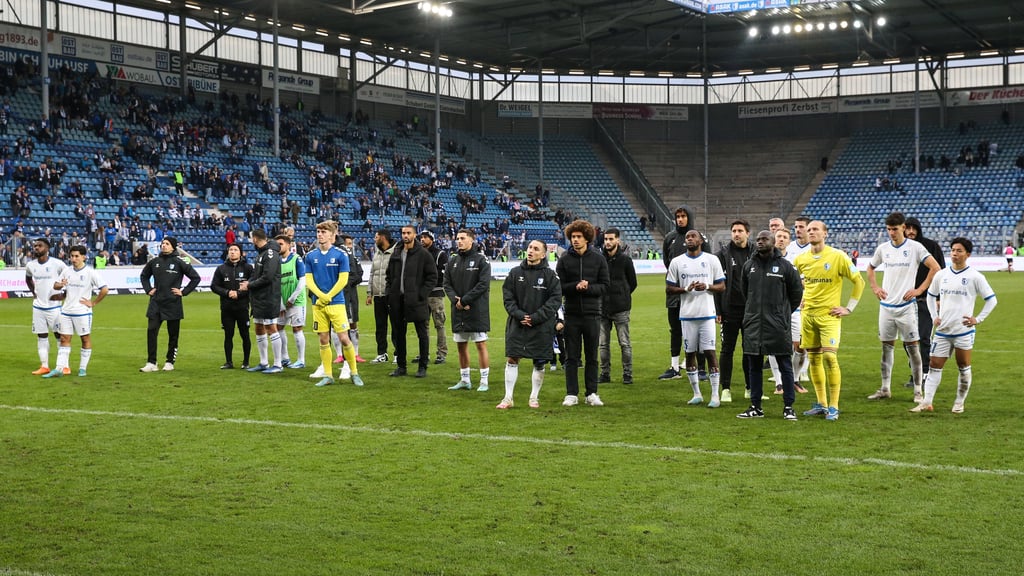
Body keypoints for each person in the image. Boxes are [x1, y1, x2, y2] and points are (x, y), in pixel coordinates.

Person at [912, 237, 997, 414]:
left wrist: (977, 319)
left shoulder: (975, 276)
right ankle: (927, 402)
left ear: (968, 254)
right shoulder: (942, 275)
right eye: (952, 250)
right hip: (943, 331)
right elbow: (930, 295)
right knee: (934, 365)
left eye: (959, 251)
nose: (955, 254)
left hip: (963, 331)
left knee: (963, 366)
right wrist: (934, 316)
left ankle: (959, 402)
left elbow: (991, 300)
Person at [793, 220, 866, 421]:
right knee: (814, 359)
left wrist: (848, 307)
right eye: (809, 230)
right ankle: (821, 404)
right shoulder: (801, 259)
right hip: (808, 316)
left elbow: (859, 281)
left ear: (825, 233)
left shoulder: (837, 256)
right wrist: (799, 299)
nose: (811, 232)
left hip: (829, 316)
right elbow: (794, 283)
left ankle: (833, 406)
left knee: (829, 358)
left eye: (815, 229)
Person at [865, 212, 940, 403]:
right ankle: (885, 389)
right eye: (889, 229)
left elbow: (935, 268)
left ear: (904, 228)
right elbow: (870, 268)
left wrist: (919, 289)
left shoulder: (915, 247)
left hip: (907, 307)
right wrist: (875, 287)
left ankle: (917, 391)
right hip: (886, 307)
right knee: (886, 348)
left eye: (895, 229)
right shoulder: (883, 249)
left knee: (913, 349)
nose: (892, 233)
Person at [735, 231, 803, 420]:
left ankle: (789, 406)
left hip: (777, 325)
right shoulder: (749, 266)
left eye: (764, 239)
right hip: (754, 324)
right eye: (757, 240)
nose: (760, 242)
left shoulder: (785, 267)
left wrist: (781, 313)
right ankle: (755, 407)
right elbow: (745, 292)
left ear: (773, 242)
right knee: (754, 366)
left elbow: (796, 293)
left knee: (785, 365)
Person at [498, 240, 562, 409]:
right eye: (529, 248)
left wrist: (535, 318)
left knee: (539, 361)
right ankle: (507, 398)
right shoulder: (514, 273)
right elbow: (508, 298)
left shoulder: (550, 276)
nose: (531, 251)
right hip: (517, 323)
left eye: (536, 249)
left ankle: (534, 398)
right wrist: (520, 315)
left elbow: (554, 301)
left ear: (543, 254)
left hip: (540, 325)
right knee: (512, 357)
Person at [665, 230, 726, 407]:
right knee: (689, 353)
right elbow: (669, 289)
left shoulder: (711, 260)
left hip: (707, 314)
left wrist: (706, 286)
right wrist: (686, 289)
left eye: (693, 236)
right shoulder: (677, 262)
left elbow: (721, 286)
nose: (689, 239)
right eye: (687, 237)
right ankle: (697, 393)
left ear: (700, 240)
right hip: (686, 315)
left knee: (710, 352)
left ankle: (715, 395)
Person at [556, 219, 610, 407]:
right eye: (573, 237)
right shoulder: (564, 260)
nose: (575, 240)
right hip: (571, 314)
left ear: (587, 238)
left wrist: (588, 287)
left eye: (579, 237)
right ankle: (571, 393)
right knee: (572, 356)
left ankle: (592, 393)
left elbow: (604, 286)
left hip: (593, 314)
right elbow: (559, 287)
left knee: (591, 356)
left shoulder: (598, 259)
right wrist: (575, 286)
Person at [304, 220, 364, 387]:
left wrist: (328, 295)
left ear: (332, 234)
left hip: (336, 302)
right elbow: (308, 280)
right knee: (323, 339)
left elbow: (343, 279)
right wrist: (320, 296)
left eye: (323, 232)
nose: (320, 235)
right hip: (318, 304)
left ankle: (354, 372)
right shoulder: (310, 256)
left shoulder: (340, 254)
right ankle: (328, 375)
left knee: (344, 338)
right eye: (318, 232)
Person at [659, 205, 710, 380]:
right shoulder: (670, 238)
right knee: (675, 330)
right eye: (678, 216)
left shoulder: (700, 238)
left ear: (690, 217)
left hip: (696, 293)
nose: (680, 219)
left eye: (683, 216)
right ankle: (674, 368)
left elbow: (708, 261)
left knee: (699, 329)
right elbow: (668, 262)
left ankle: (701, 368)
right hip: (675, 292)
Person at [42, 245, 108, 378]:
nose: (73, 259)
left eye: (76, 256)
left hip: (82, 312)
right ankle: (59, 369)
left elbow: (105, 289)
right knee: (64, 338)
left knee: (85, 338)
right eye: (72, 256)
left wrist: (93, 303)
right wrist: (60, 284)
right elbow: (56, 284)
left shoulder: (90, 272)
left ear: (84, 257)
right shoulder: (67, 271)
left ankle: (82, 368)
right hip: (66, 311)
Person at [139, 237, 201, 372]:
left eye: (167, 244)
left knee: (173, 334)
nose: (164, 246)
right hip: (156, 302)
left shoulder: (179, 262)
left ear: (173, 247)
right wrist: (148, 289)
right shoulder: (154, 262)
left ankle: (169, 361)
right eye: (162, 244)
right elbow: (144, 276)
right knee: (151, 331)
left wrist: (183, 292)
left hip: (173, 303)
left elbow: (196, 278)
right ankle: (151, 362)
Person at [385, 225, 437, 378]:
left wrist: (421, 294)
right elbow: (389, 275)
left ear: (414, 235)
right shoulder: (396, 252)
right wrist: (390, 292)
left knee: (422, 334)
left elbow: (432, 276)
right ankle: (401, 367)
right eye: (403, 233)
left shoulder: (423, 254)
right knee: (399, 334)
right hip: (397, 300)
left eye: (408, 233)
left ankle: (422, 367)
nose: (405, 235)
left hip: (416, 301)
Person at [444, 228, 492, 392]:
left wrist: (464, 300)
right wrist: (455, 300)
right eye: (457, 238)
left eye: (462, 238)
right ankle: (465, 380)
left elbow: (483, 284)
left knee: (480, 344)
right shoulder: (452, 260)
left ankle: (484, 381)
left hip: (476, 310)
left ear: (471, 240)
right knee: (461, 346)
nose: (459, 241)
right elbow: (447, 284)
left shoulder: (481, 260)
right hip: (459, 311)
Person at [714, 219, 755, 403]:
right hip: (729, 309)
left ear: (748, 233)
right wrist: (718, 309)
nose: (736, 234)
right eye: (734, 231)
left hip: (750, 311)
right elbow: (717, 284)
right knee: (727, 350)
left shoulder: (756, 253)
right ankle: (726, 389)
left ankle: (749, 387)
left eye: (740, 231)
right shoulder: (722, 254)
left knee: (750, 350)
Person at [902, 217, 946, 388]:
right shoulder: (901, 249)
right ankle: (915, 374)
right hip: (905, 302)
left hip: (926, 300)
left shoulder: (931, 246)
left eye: (914, 228)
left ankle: (925, 374)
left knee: (924, 338)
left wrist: (939, 298)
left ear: (919, 229)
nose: (911, 231)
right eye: (908, 228)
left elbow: (940, 271)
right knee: (908, 341)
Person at [599, 227, 637, 385]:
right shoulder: (599, 259)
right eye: (606, 239)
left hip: (621, 308)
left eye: (611, 239)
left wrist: (622, 295)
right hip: (602, 308)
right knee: (602, 344)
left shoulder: (626, 260)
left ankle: (627, 374)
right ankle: (604, 373)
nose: (607, 242)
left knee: (624, 343)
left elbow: (633, 283)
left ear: (617, 240)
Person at [242, 229, 284, 374]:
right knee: (259, 327)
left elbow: (268, 277)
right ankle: (263, 362)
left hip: (269, 297)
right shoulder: (261, 253)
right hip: (258, 297)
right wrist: (248, 283)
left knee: (271, 327)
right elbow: (256, 274)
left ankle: (278, 364)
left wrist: (249, 285)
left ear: (254, 238)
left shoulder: (270, 254)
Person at [25, 237, 68, 375]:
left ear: (47, 248)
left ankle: (64, 366)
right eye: (35, 246)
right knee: (41, 336)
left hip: (54, 307)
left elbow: (70, 277)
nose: (36, 248)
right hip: (38, 307)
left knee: (59, 336)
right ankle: (44, 366)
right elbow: (28, 278)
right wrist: (33, 292)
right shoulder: (31, 265)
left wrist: (64, 295)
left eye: (40, 246)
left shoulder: (58, 264)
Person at [210, 243, 253, 369]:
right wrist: (227, 292)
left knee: (245, 334)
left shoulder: (248, 268)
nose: (232, 252)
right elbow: (214, 286)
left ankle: (246, 362)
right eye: (230, 250)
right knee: (228, 335)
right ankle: (229, 362)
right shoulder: (221, 269)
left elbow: (253, 285)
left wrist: (239, 294)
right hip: (226, 308)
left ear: (241, 253)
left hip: (242, 307)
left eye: (235, 250)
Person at [786, 216, 813, 383]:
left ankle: (804, 370)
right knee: (795, 339)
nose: (798, 230)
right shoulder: (789, 249)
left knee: (808, 338)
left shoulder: (815, 248)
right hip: (794, 300)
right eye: (796, 227)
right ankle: (792, 371)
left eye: (801, 227)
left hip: (811, 299)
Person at [275, 234, 308, 369]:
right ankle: (285, 358)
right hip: (282, 302)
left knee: (297, 329)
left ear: (289, 245)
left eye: (281, 244)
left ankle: (301, 360)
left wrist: (292, 298)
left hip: (297, 301)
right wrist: (281, 303)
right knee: (279, 328)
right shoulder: (276, 262)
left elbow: (302, 280)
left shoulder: (296, 259)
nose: (279, 247)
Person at [419, 230, 449, 365]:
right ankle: (423, 353)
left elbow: (442, 274)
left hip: (435, 293)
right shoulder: (418, 253)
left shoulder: (440, 254)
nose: (422, 239)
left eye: (425, 237)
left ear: (432, 239)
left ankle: (441, 353)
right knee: (422, 325)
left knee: (439, 324)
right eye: (421, 237)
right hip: (422, 294)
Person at [366, 228, 395, 363]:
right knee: (380, 326)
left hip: (392, 295)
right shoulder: (377, 253)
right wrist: (369, 293)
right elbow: (372, 273)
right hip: (378, 295)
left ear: (383, 238)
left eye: (376, 237)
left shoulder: (396, 252)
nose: (374, 239)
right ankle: (382, 353)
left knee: (396, 325)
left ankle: (398, 353)